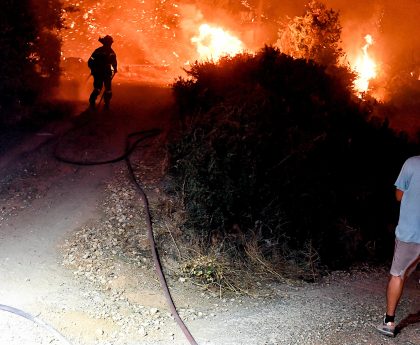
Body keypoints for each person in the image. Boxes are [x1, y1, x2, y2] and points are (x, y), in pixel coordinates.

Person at [377, 155, 420, 337]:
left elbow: (399, 195)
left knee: (398, 275)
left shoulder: (412, 163)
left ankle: (389, 322)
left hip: (410, 232)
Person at [88, 35, 117, 109]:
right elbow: (91, 61)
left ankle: (103, 103)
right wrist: (115, 69)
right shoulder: (110, 52)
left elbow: (90, 61)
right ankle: (96, 102)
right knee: (102, 88)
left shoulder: (99, 50)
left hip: (102, 72)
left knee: (105, 89)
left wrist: (92, 69)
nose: (110, 44)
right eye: (109, 42)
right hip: (101, 72)